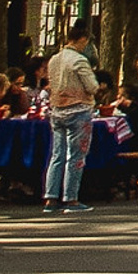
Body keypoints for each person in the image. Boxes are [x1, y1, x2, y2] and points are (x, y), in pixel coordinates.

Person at [43, 18, 102, 214]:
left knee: (57, 155)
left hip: (57, 110)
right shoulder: (79, 60)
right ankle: (71, 198)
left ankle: (51, 197)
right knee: (76, 155)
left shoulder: (54, 59)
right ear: (83, 40)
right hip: (78, 109)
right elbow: (92, 86)